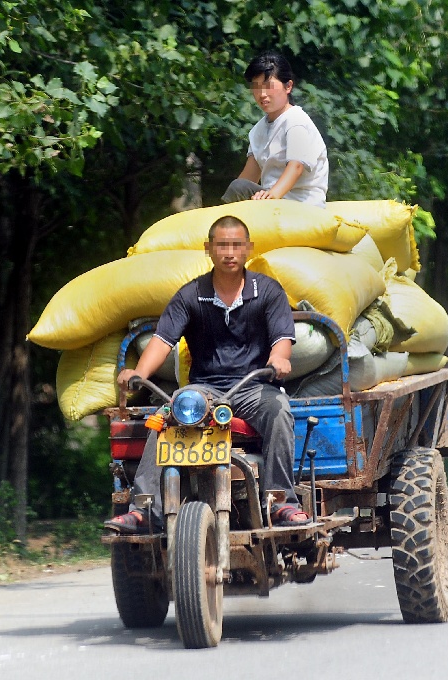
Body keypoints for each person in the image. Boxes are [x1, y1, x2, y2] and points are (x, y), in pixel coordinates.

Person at [104, 215, 311, 534]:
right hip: (204, 391)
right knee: (166, 415)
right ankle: (144, 508)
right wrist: (138, 373)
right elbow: (162, 340)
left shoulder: (268, 291)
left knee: (280, 410)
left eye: (236, 245)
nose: (229, 252)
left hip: (253, 388)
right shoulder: (191, 295)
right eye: (222, 245)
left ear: (248, 249)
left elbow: (282, 338)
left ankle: (281, 501)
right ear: (208, 250)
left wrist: (279, 359)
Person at [222, 50, 329, 208]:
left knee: (239, 188)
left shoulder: (296, 121)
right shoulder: (258, 130)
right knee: (239, 186)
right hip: (272, 203)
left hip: (302, 207)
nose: (262, 94)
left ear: (288, 86)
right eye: (256, 88)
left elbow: (296, 167)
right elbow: (247, 179)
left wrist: (271, 196)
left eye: (268, 86)